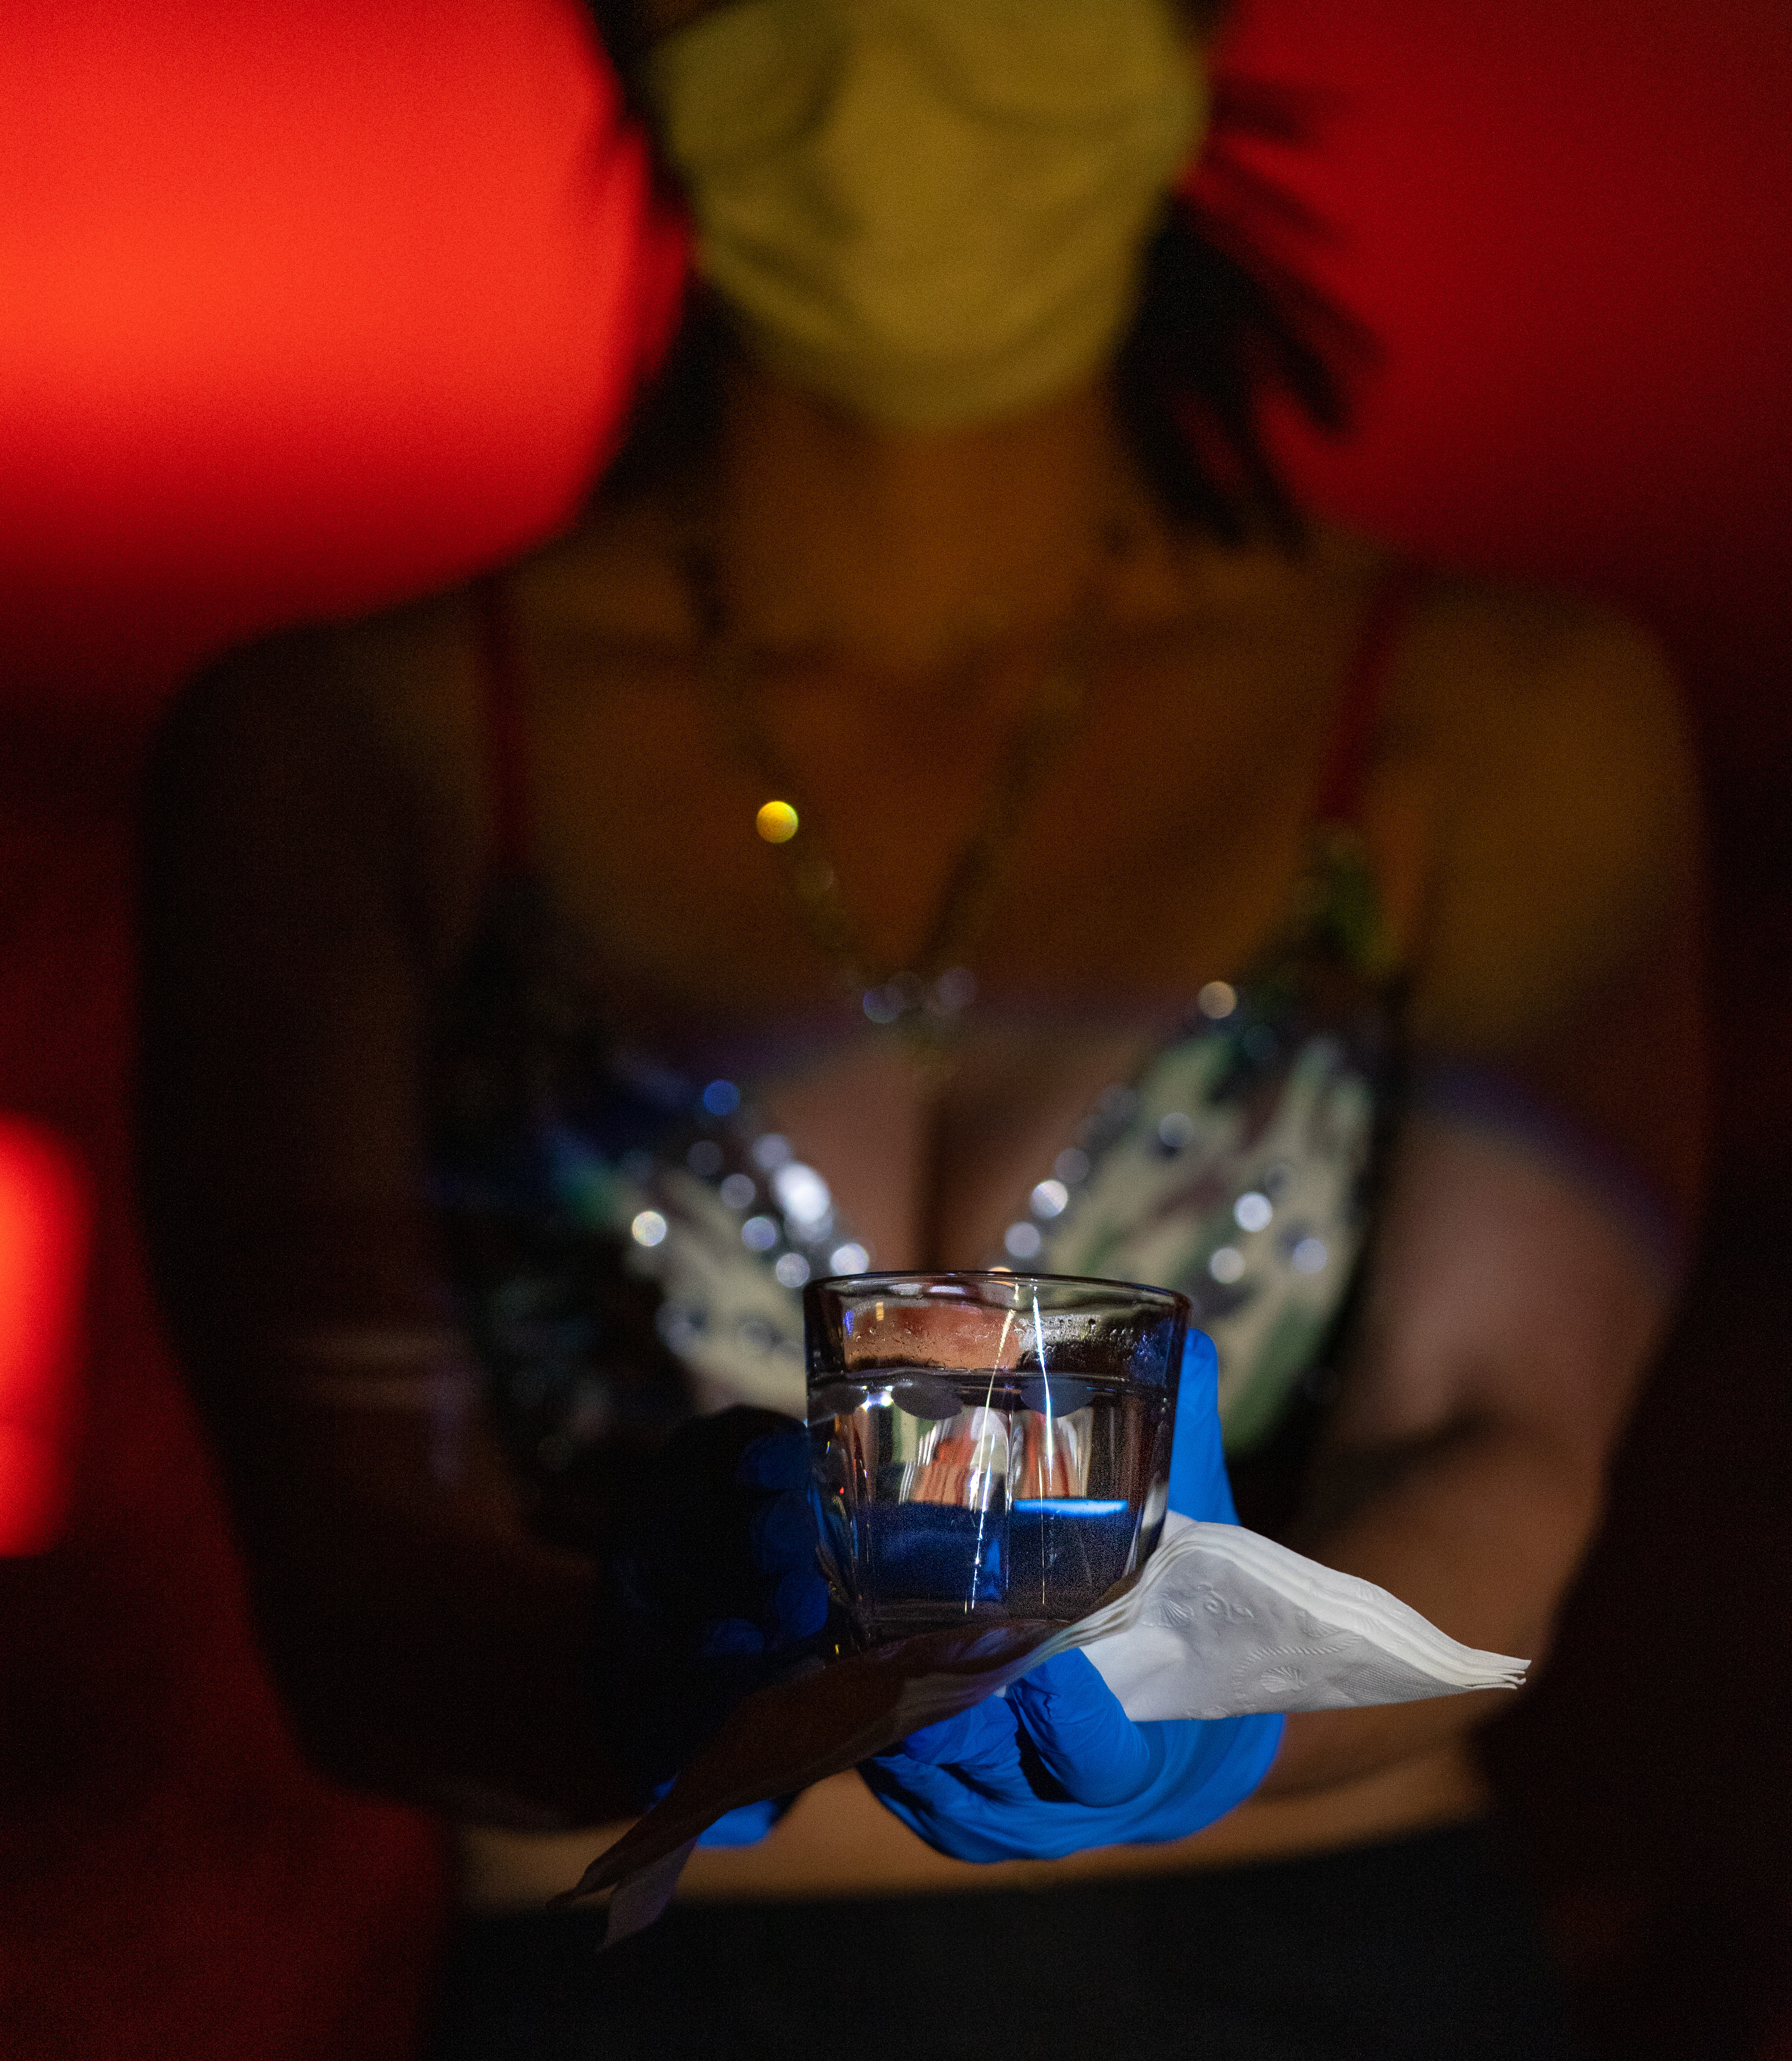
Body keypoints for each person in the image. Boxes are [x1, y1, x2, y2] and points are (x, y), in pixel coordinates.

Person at [137, 0, 1706, 2053]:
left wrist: (1200, 1706)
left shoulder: (1495, 722)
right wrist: (645, 1662)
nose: (901, 65)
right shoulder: (352, 746)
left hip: (1332, 1967)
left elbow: (1500, 1438)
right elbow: (350, 1570)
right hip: (635, 1984)